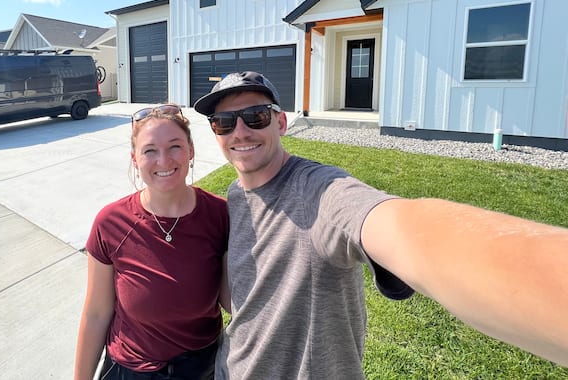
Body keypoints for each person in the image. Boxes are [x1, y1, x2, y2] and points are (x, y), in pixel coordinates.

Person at [193, 71, 568, 379]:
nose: (239, 132)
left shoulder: (319, 191)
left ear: (281, 121)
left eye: (255, 117)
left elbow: (405, 229)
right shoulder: (236, 194)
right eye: (223, 123)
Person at [74, 104, 229, 380]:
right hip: (129, 370)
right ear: (135, 158)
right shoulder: (110, 223)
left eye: (175, 146)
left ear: (191, 150)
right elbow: (96, 314)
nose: (164, 161)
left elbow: (233, 300)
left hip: (200, 368)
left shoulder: (220, 215)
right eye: (149, 151)